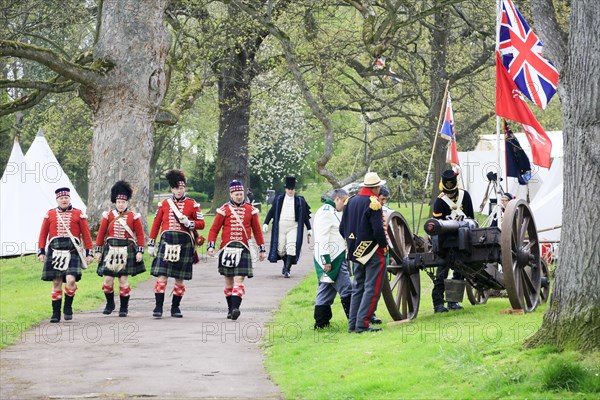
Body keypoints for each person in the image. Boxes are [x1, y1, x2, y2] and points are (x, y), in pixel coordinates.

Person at [148, 170, 205, 318]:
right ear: (171, 189)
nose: (178, 191)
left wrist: (190, 223)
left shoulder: (192, 204)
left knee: (179, 279)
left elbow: (202, 224)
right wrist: (151, 242)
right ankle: (158, 307)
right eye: (175, 188)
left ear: (184, 187)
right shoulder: (165, 204)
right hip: (166, 243)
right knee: (162, 277)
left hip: (184, 244)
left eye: (181, 188)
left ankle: (175, 307)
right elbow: (156, 224)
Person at [207, 180, 266, 320]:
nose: (239, 196)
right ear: (231, 194)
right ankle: (230, 308)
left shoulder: (250, 210)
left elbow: (257, 231)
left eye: (241, 194)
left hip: (243, 248)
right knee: (228, 282)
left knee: (239, 279)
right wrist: (210, 245)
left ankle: (235, 308)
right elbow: (214, 229)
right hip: (227, 249)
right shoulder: (224, 210)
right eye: (236, 194)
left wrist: (262, 249)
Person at [339, 172, 389, 333]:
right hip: (372, 251)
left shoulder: (350, 201)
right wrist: (384, 246)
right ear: (376, 187)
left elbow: (342, 228)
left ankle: (353, 325)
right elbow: (378, 230)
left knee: (358, 287)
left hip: (355, 251)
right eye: (379, 185)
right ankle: (362, 324)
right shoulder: (373, 203)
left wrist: (352, 242)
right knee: (372, 288)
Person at [38, 187, 94, 323]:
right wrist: (41, 251)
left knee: (71, 280)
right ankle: (55, 313)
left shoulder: (78, 214)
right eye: (61, 198)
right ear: (57, 200)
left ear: (69, 199)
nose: (64, 200)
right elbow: (43, 234)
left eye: (66, 198)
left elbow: (86, 235)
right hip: (55, 252)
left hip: (72, 252)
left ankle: (68, 307)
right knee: (56, 282)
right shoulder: (50, 214)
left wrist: (89, 252)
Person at [95, 181, 146, 317]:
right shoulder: (108, 215)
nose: (120, 204)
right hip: (110, 250)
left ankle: (124, 308)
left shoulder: (133, 216)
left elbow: (140, 235)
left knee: (123, 281)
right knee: (107, 281)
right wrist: (98, 251)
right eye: (118, 202)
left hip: (126, 250)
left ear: (127, 202)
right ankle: (110, 303)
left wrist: (140, 251)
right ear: (115, 202)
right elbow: (101, 234)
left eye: (123, 202)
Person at [431, 169, 475, 313]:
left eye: (452, 192)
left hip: (463, 238)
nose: (450, 194)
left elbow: (470, 216)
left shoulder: (464, 195)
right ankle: (438, 303)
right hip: (445, 241)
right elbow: (437, 224)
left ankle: (453, 301)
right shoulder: (439, 201)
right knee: (441, 272)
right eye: (448, 192)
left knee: (459, 271)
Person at [312, 189, 352, 329]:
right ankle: (354, 320)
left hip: (337, 256)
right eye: (345, 201)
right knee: (347, 288)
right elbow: (322, 238)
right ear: (338, 199)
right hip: (332, 258)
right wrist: (326, 260)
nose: (346, 204)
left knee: (326, 289)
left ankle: (321, 322)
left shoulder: (333, 211)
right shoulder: (325, 212)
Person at [263, 176, 311, 278]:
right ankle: (285, 264)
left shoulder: (300, 201)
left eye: (292, 189)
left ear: (294, 189)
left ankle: (287, 269)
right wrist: (266, 223)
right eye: (289, 189)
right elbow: (272, 211)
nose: (290, 191)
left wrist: (309, 228)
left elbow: (305, 216)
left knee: (291, 248)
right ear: (285, 189)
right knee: (280, 250)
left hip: (293, 227)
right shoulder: (279, 199)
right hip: (280, 227)